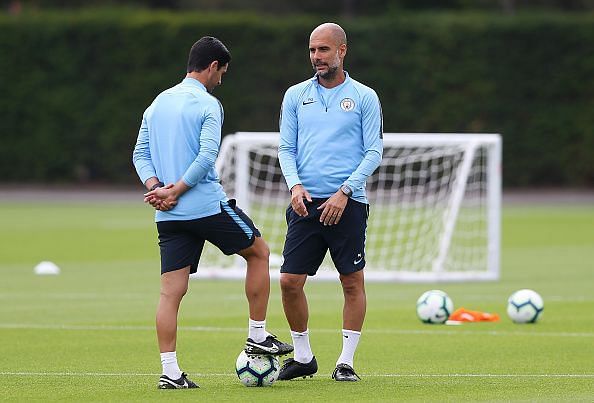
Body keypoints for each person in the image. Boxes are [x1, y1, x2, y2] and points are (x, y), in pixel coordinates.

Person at [132, 36, 293, 390]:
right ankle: (257, 335)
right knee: (260, 253)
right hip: (204, 205)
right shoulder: (208, 104)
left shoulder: (157, 103)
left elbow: (140, 154)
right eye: (222, 72)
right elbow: (207, 156)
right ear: (212, 67)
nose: (221, 79)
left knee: (170, 293)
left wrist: (157, 188)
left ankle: (170, 373)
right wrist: (176, 190)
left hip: (169, 214)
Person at [277, 23, 383, 382]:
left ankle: (346, 362)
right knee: (290, 281)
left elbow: (374, 151)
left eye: (323, 50)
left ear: (342, 51)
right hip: (305, 202)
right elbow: (286, 148)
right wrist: (294, 187)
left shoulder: (365, 96)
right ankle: (304, 356)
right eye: (311, 50)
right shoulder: (295, 95)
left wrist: (345, 191)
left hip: (348, 203)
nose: (316, 57)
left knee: (351, 281)